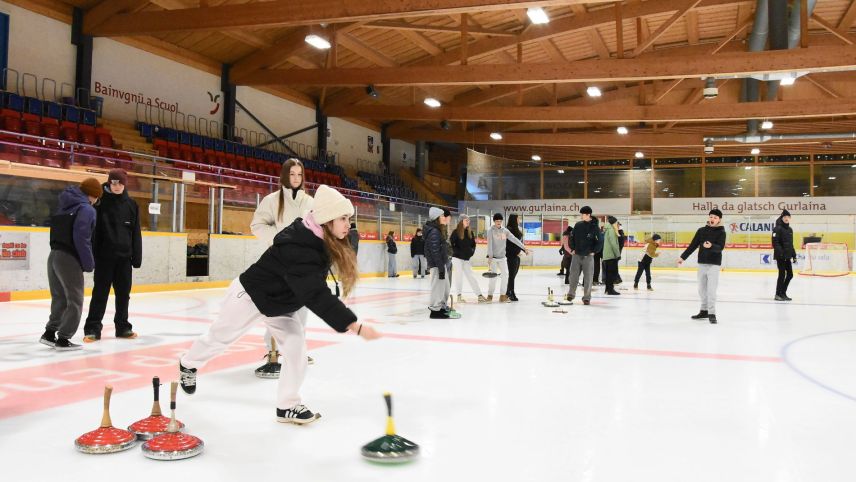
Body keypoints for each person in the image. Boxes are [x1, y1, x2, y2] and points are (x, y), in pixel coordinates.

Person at [178, 185, 381, 424]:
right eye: (344, 218)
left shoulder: (319, 239)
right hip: (251, 296)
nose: (349, 224)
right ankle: (187, 364)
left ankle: (287, 405)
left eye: (349, 219)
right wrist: (352, 325)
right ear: (326, 219)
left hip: (280, 305)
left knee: (296, 350)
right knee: (219, 338)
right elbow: (315, 293)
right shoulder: (300, 246)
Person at [249, 158, 314, 376]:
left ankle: (296, 350)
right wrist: (278, 239)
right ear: (285, 176)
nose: (296, 179)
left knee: (301, 309)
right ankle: (272, 351)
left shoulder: (309, 202)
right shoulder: (272, 200)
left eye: (299, 175)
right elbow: (257, 225)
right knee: (277, 308)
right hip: (278, 262)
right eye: (292, 174)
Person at [40, 177, 102, 351]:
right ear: (94, 195)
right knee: (75, 299)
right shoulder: (86, 209)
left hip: (54, 255)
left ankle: (50, 333)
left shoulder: (64, 205)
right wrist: (88, 263)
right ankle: (63, 338)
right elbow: (82, 238)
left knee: (59, 297)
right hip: (69, 258)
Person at [83, 169, 142, 342]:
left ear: (125, 184)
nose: (116, 186)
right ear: (109, 182)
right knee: (100, 293)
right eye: (113, 182)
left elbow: (135, 233)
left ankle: (123, 327)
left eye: (120, 183)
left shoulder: (132, 205)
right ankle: (93, 328)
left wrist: (136, 257)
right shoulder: (99, 203)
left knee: (124, 294)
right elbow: (93, 232)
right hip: (104, 258)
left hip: (124, 259)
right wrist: (91, 256)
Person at [678, 209, 727, 324]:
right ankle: (704, 310)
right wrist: (682, 257)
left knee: (711, 290)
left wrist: (711, 246)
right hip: (702, 263)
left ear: (719, 219)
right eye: (711, 217)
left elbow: (720, 247)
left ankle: (712, 313)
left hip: (714, 264)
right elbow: (693, 245)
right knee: (701, 289)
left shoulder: (721, 232)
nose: (712, 219)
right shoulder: (701, 231)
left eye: (715, 217)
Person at [486, 213, 529, 303]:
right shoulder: (490, 230)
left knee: (505, 276)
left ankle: (502, 296)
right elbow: (489, 244)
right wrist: (489, 257)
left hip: (502, 258)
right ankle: (490, 295)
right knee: (493, 278)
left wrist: (524, 247)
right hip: (493, 258)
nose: (498, 222)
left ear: (502, 221)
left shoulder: (505, 231)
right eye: (497, 221)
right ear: (494, 221)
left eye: (500, 221)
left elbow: (514, 239)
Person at [565, 206, 600, 305]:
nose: (581, 216)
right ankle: (571, 294)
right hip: (576, 255)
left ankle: (586, 298)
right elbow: (572, 237)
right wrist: (572, 248)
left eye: (582, 214)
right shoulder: (578, 225)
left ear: (588, 215)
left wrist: (594, 251)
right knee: (573, 276)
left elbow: (600, 241)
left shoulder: (595, 227)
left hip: (588, 256)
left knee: (588, 277)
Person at [424, 207, 454, 318]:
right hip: (437, 265)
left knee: (444, 287)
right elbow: (434, 251)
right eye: (441, 216)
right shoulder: (434, 232)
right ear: (436, 218)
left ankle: (440, 307)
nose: (444, 217)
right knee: (437, 288)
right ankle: (435, 311)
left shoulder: (437, 230)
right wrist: (441, 267)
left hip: (440, 264)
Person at [450, 214, 486, 303]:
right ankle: (459, 296)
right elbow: (451, 244)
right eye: (466, 220)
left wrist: (471, 252)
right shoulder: (455, 232)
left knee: (471, 276)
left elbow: (473, 244)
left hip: (466, 259)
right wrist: (457, 252)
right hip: (457, 258)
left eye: (468, 220)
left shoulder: (470, 232)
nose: (468, 222)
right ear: (461, 221)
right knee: (459, 277)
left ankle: (479, 295)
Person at [772, 209, 796, 301]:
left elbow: (791, 244)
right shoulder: (777, 228)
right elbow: (775, 243)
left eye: (788, 217)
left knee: (790, 274)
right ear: (782, 218)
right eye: (784, 217)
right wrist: (781, 253)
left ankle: (783, 292)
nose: (786, 218)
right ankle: (778, 294)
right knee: (782, 274)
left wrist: (794, 255)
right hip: (780, 256)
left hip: (787, 256)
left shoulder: (790, 230)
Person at [505, 214, 525, 302]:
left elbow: (518, 242)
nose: (519, 219)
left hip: (516, 255)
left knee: (513, 275)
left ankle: (508, 292)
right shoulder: (508, 229)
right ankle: (511, 293)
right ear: (514, 219)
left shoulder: (516, 228)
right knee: (512, 275)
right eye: (518, 218)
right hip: (511, 255)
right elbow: (508, 244)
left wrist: (522, 250)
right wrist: (517, 252)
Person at [601, 215, 621, 296]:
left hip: (607, 254)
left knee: (609, 273)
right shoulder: (611, 231)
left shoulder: (607, 230)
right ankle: (610, 290)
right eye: (616, 223)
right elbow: (613, 244)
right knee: (611, 273)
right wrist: (618, 254)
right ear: (613, 223)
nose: (617, 224)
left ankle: (608, 289)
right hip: (611, 255)